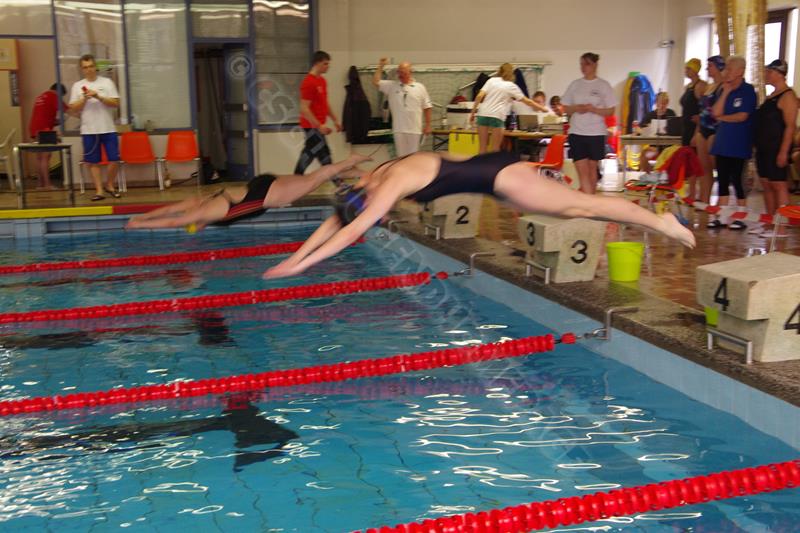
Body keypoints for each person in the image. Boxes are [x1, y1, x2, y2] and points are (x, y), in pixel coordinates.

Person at [262, 151, 695, 279]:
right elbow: (338, 221)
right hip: (495, 172)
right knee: (577, 208)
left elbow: (350, 229)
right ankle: (657, 221)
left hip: (502, 179)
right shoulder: (376, 176)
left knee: (585, 205)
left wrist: (299, 267)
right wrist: (294, 258)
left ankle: (662, 222)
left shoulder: (390, 184)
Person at [126, 154, 367, 230]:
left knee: (315, 178)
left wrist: (138, 224)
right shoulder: (199, 202)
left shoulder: (205, 212)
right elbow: (170, 209)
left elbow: (173, 221)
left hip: (266, 196)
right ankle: (353, 172)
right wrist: (143, 216)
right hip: (260, 185)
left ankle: (350, 161)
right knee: (311, 181)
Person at [707, 56, 757, 230]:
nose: (726, 72)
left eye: (730, 68)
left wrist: (723, 118)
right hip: (723, 142)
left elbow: (742, 116)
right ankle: (722, 216)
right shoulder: (724, 89)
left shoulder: (748, 91)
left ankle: (741, 216)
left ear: (740, 71)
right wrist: (726, 93)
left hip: (739, 143)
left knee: (737, 180)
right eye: (726, 68)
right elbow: (715, 113)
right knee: (722, 179)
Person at [750, 59, 797, 237]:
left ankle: (782, 227)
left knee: (779, 185)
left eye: (769, 72)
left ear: (779, 74)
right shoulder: (771, 96)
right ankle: (771, 224)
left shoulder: (788, 96)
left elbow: (790, 127)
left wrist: (784, 152)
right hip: (764, 148)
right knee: (766, 184)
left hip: (777, 148)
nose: (766, 75)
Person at [561, 52, 617, 194]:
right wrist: (576, 108)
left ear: (595, 65)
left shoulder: (603, 85)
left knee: (592, 169)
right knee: (582, 171)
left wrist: (594, 110)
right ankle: (589, 202)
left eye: (587, 64)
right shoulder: (575, 84)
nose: (583, 67)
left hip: (596, 133)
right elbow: (565, 108)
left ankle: (590, 201)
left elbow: (611, 110)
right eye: (581, 64)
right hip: (577, 132)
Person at [68, 54, 121, 201]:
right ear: (82, 69)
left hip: (108, 128)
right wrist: (84, 98)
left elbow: (116, 103)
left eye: (91, 66)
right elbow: (73, 108)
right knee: (93, 161)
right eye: (85, 67)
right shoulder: (77, 86)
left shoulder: (107, 82)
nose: (89, 70)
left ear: (95, 67)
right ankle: (99, 191)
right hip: (89, 130)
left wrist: (98, 96)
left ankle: (109, 185)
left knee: (114, 159)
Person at [468, 63, 547, 154]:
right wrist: (542, 108)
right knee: (495, 149)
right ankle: (494, 163)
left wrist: (472, 113)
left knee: (482, 147)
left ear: (500, 71)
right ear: (511, 73)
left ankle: (480, 163)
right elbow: (527, 101)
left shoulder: (491, 81)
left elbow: (479, 96)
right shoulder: (511, 86)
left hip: (482, 114)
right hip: (497, 116)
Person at [294, 50, 342, 175]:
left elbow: (325, 103)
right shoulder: (309, 82)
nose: (328, 66)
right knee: (324, 155)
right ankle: (338, 182)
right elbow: (304, 108)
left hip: (317, 126)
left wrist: (335, 120)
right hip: (311, 126)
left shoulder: (322, 81)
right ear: (317, 63)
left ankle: (296, 178)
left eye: (328, 64)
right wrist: (319, 126)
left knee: (309, 153)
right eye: (325, 64)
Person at [372, 58, 432, 157]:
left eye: (403, 72)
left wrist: (428, 125)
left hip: (415, 129)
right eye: (399, 72)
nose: (400, 75)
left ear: (410, 72)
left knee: (413, 157)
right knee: (401, 157)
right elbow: (375, 81)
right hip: (399, 129)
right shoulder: (392, 86)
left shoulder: (420, 87)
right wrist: (381, 66)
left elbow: (427, 106)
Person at [693, 56, 725, 203]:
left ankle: (719, 201)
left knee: (715, 167)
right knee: (703, 169)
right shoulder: (708, 87)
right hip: (703, 129)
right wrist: (697, 131)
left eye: (710, 66)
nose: (707, 69)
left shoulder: (723, 87)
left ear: (719, 67)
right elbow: (702, 111)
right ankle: (704, 200)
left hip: (715, 130)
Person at [28, 83, 67, 189]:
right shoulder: (54, 96)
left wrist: (57, 122)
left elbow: (44, 116)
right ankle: (47, 184)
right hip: (44, 130)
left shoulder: (41, 96)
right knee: (46, 156)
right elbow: (68, 109)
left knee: (40, 158)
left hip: (34, 128)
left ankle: (40, 184)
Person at [637, 92, 677, 172]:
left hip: (669, 149)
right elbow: (639, 128)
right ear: (656, 103)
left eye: (664, 103)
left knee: (676, 154)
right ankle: (648, 175)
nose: (662, 105)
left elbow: (677, 129)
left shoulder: (671, 113)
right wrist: (648, 129)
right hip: (654, 149)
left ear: (667, 103)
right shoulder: (650, 115)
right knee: (644, 155)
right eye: (660, 103)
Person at [679, 58, 706, 147]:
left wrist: (696, 133)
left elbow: (705, 109)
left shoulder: (701, 86)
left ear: (695, 70)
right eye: (685, 68)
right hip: (686, 127)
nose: (686, 71)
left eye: (688, 68)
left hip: (694, 127)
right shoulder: (688, 86)